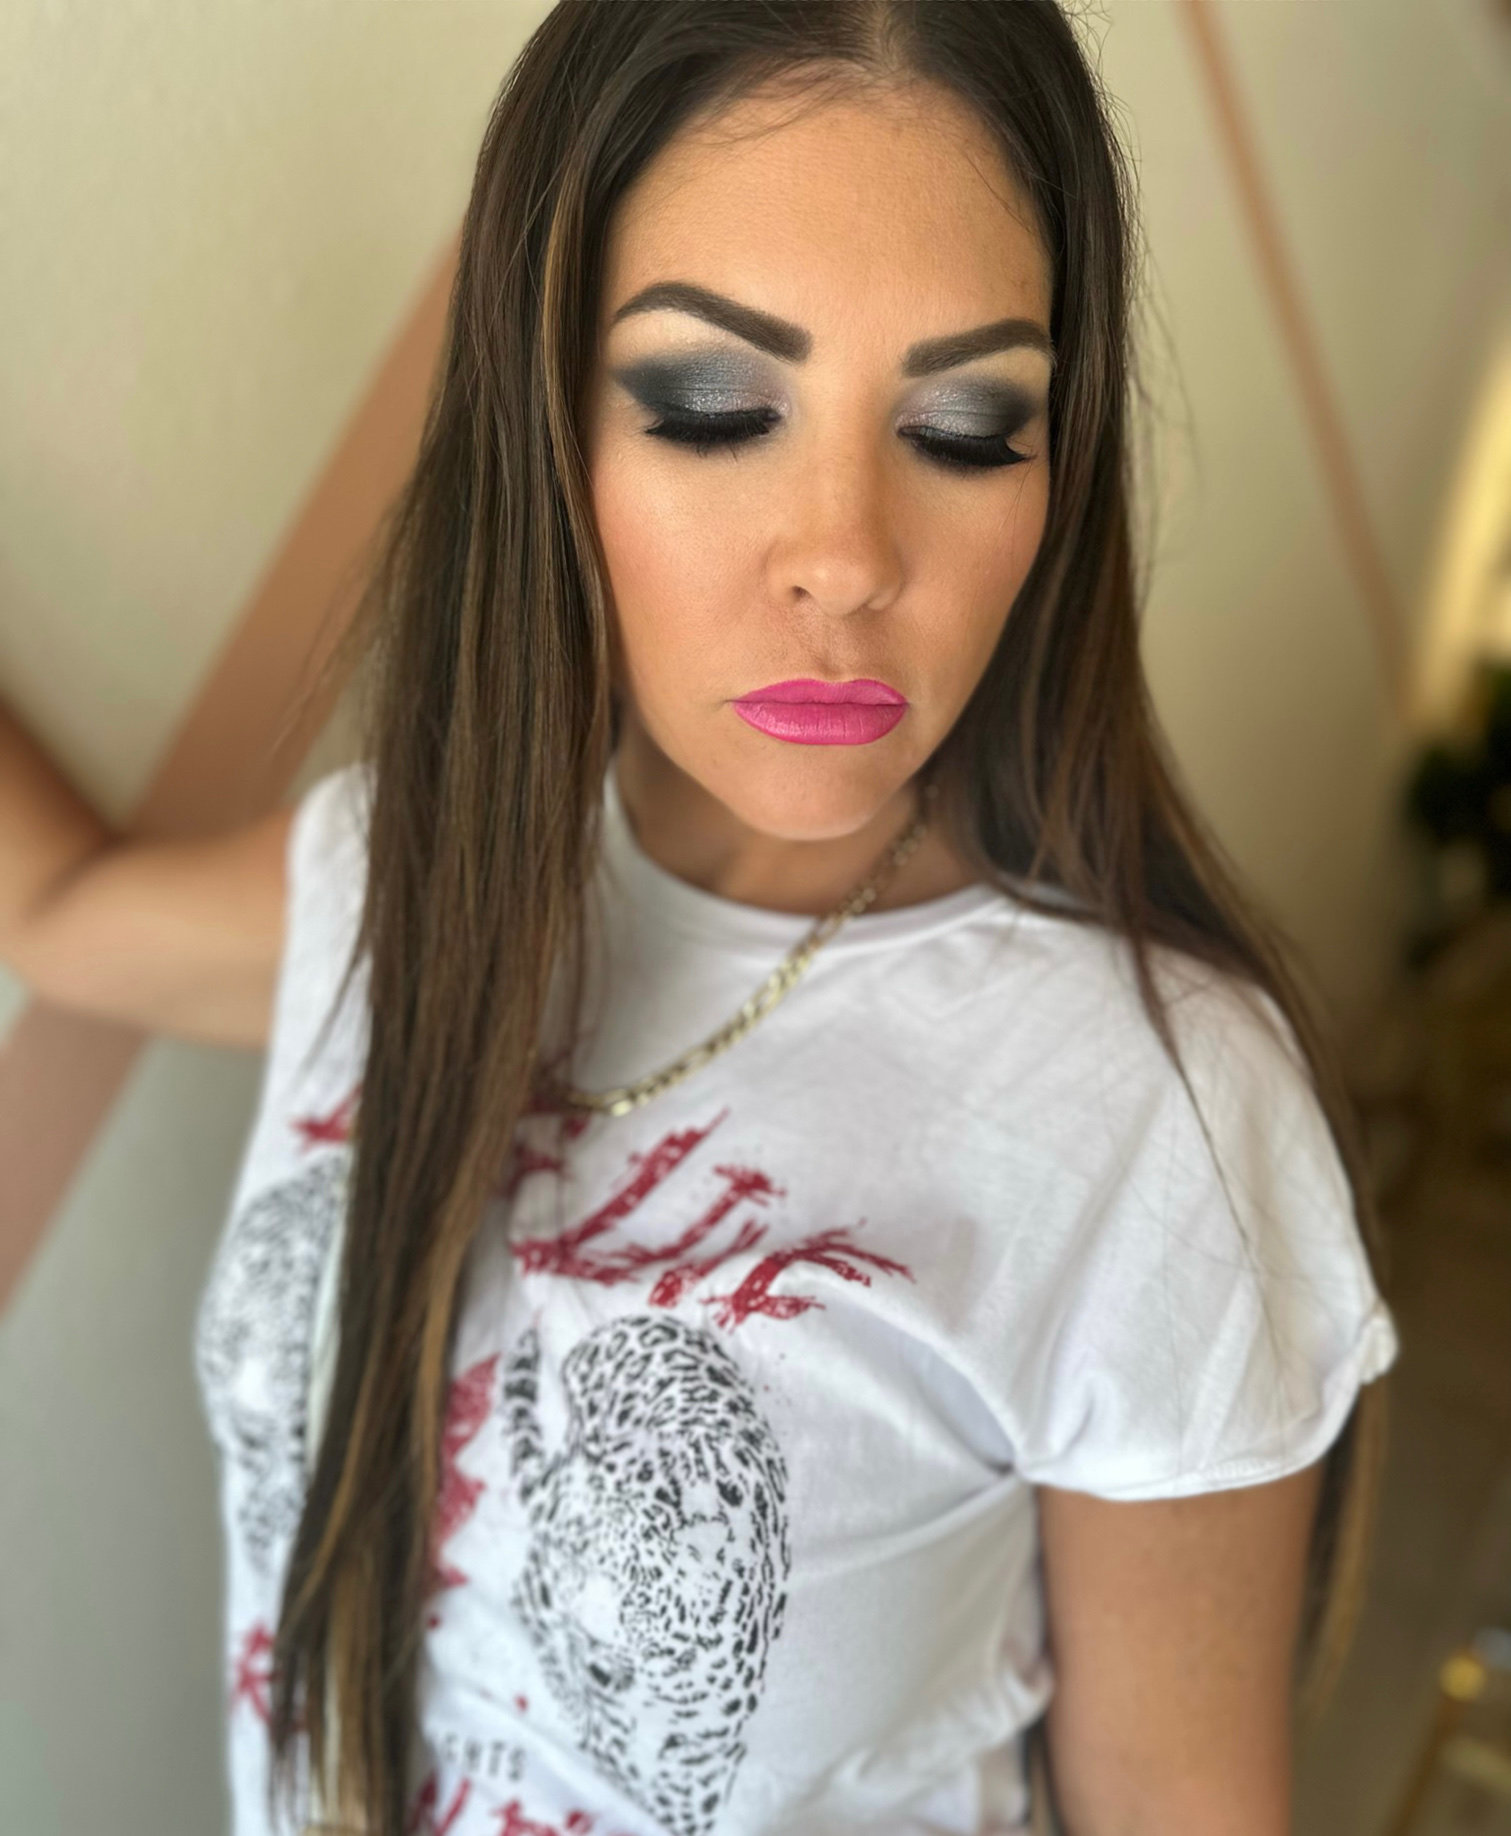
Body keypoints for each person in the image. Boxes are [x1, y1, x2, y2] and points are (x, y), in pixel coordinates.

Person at [0, 3, 1402, 1834]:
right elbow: (59, 914)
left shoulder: (1156, 1113)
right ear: (549, 421)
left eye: (967, 426)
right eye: (715, 409)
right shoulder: (405, 882)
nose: (847, 555)